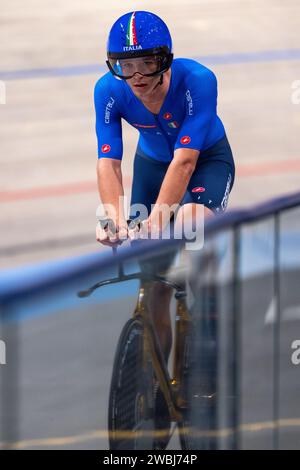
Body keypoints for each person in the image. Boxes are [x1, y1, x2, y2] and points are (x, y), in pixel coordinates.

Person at [94, 10, 235, 448]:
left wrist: (159, 217)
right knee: (152, 279)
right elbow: (109, 161)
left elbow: (187, 161)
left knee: (190, 227)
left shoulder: (199, 80)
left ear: (165, 60)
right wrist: (112, 215)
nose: (135, 76)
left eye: (146, 64)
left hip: (204, 162)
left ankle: (205, 328)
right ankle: (153, 380)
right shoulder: (108, 90)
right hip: (153, 167)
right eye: (124, 65)